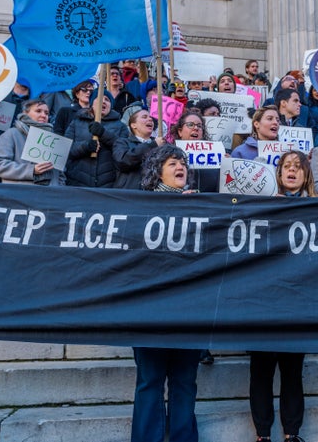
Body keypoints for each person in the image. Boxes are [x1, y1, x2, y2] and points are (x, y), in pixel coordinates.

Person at [132, 144, 200, 442]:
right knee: (150, 381)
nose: (180, 166)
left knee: (185, 382)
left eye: (183, 162)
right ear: (157, 170)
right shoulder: (140, 207)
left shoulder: (202, 206)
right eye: (173, 162)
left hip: (189, 310)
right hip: (149, 311)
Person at [249, 150, 314, 442]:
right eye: (286, 166)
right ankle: (263, 434)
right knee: (261, 371)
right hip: (263, 301)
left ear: (306, 175)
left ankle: (292, 434)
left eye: (298, 167)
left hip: (298, 301)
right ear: (278, 173)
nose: (292, 171)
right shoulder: (261, 205)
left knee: (292, 371)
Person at [0, 99, 65, 186]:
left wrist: (58, 187)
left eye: (46, 113)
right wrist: (32, 170)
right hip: (21, 195)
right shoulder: (11, 134)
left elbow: (60, 174)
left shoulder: (53, 140)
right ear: (25, 113)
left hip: (49, 195)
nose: (43, 115)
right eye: (38, 111)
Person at [65, 90, 126, 188]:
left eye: (107, 100)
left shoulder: (121, 126)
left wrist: (103, 134)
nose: (104, 102)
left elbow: (123, 150)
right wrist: (86, 146)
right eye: (100, 98)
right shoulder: (76, 123)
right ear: (92, 103)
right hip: (77, 182)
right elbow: (66, 149)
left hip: (109, 184)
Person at [113, 103, 165, 189]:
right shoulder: (122, 142)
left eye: (150, 118)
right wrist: (152, 145)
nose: (150, 119)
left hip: (153, 195)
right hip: (129, 194)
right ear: (133, 125)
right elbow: (122, 161)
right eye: (144, 117)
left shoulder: (161, 145)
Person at [170, 110, 218, 193]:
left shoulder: (216, 154)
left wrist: (226, 164)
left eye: (199, 126)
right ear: (180, 131)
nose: (196, 128)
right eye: (190, 125)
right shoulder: (168, 154)